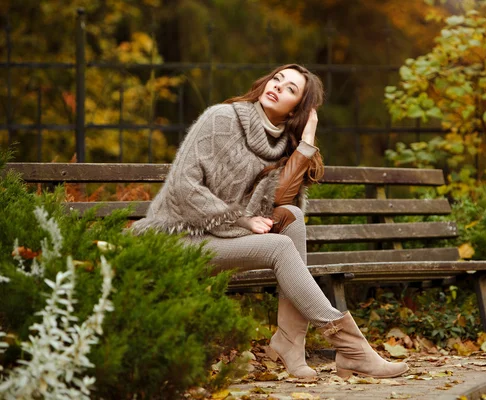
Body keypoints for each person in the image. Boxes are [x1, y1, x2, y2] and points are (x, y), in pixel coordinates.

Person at [131, 64, 409, 379]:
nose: (277, 86)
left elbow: (278, 202)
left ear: (297, 110)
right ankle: (352, 349)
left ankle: (291, 342)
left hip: (222, 239)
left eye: (290, 88)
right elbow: (184, 187)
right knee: (278, 246)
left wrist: (304, 145)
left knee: (292, 217)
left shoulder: (281, 145)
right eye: (277, 79)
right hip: (179, 238)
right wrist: (241, 220)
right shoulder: (221, 120)